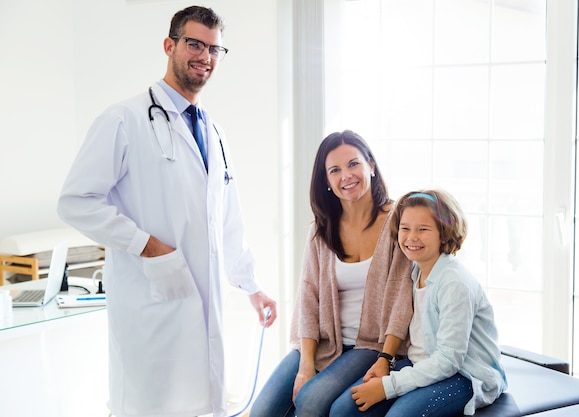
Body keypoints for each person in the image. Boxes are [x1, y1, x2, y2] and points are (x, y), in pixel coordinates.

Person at [56, 6, 277, 417]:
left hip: (202, 301)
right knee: (152, 405)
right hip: (152, 300)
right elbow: (75, 201)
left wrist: (251, 286)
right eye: (194, 44)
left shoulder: (213, 131)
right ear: (169, 45)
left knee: (200, 404)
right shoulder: (124, 119)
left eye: (214, 49)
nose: (204, 56)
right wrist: (148, 246)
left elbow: (226, 219)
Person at [249, 130, 414, 417]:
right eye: (334, 170)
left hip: (372, 346)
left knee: (311, 402)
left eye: (353, 164)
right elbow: (308, 299)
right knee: (263, 411)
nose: (346, 176)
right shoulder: (320, 231)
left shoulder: (398, 223)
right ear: (326, 180)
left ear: (371, 166)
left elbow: (403, 298)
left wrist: (386, 358)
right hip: (326, 342)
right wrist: (305, 365)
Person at [330, 189, 507, 417]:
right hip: (420, 365)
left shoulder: (454, 283)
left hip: (464, 376)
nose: (411, 237)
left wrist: (387, 387)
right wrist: (386, 364)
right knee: (343, 410)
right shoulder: (414, 271)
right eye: (405, 228)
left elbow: (448, 361)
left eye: (423, 229)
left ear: (444, 233)